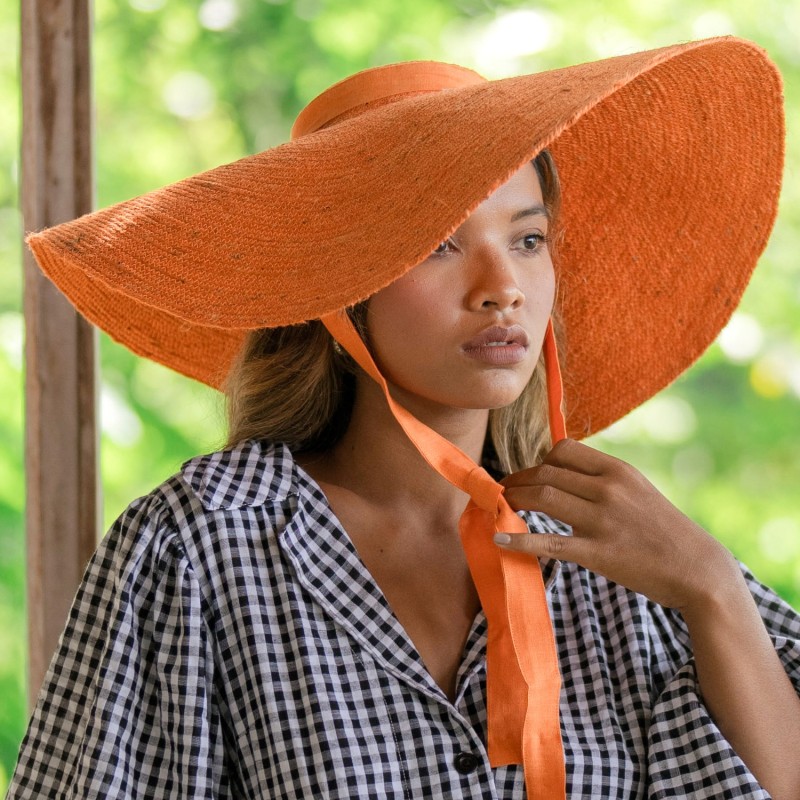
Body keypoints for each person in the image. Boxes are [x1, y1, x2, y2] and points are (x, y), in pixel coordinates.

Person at [8, 36, 800, 799]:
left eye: (528, 238)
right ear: (340, 293)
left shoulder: (625, 548)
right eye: (440, 245)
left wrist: (711, 589)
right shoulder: (199, 546)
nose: (504, 288)